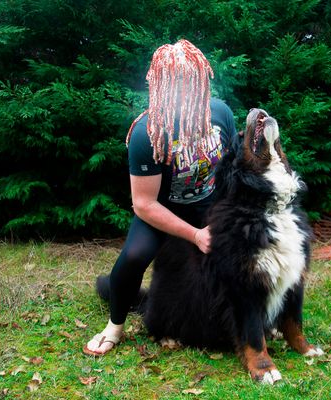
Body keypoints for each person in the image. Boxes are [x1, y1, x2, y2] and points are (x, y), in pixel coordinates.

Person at [83, 39, 237, 356]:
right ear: (160, 85)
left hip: (210, 205)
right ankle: (115, 325)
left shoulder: (220, 113)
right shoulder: (147, 133)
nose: (186, 91)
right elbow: (144, 204)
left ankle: (251, 317)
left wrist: (230, 215)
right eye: (177, 83)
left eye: (192, 82)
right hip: (163, 210)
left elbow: (232, 168)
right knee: (135, 255)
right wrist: (195, 235)